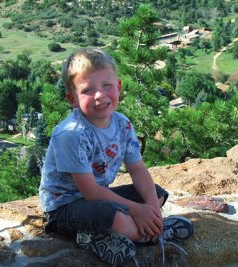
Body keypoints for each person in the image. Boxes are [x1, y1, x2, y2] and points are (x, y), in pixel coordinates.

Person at [39, 48, 193, 266]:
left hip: (99, 198)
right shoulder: (71, 134)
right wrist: (137, 210)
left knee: (155, 193)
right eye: (87, 90)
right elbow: (91, 192)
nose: (99, 95)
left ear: (118, 87)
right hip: (64, 209)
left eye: (107, 86)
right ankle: (151, 233)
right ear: (72, 99)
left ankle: (130, 231)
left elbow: (138, 170)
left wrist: (150, 209)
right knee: (110, 214)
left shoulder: (122, 124)